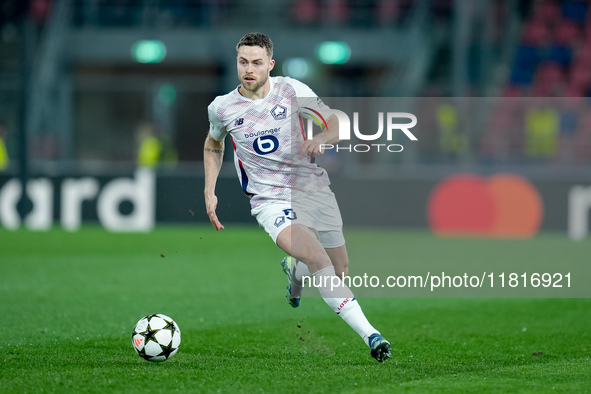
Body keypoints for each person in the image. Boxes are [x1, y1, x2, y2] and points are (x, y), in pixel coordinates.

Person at [203, 32, 391, 362]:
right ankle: (372, 336)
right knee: (319, 260)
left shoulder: (292, 90)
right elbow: (213, 144)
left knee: (339, 267)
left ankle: (295, 272)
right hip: (269, 201)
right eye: (243, 62)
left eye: (257, 63)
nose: (249, 69)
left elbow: (334, 122)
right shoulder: (222, 107)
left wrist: (323, 138)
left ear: (270, 65)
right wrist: (210, 189)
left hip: (312, 189)